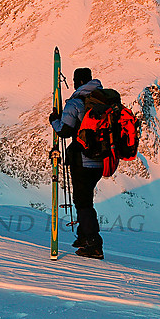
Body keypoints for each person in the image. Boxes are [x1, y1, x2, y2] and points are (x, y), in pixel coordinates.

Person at [49, 67, 104, 259]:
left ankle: (93, 243)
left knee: (82, 201)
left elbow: (64, 131)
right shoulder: (101, 101)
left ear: (77, 81)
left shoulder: (76, 103)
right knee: (85, 198)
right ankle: (83, 236)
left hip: (83, 160)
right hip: (100, 160)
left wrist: (54, 121)